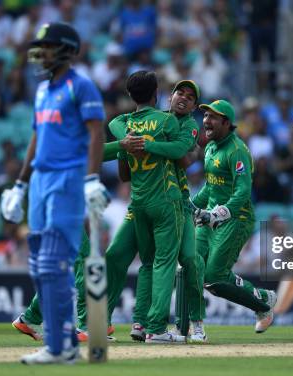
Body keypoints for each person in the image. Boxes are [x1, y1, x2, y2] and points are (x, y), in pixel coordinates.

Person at [0, 22, 109, 365]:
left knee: (54, 261)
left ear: (65, 49)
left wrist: (91, 179)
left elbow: (96, 134)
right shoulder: (43, 90)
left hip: (68, 178)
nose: (41, 53)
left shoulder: (82, 86)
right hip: (41, 182)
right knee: (38, 264)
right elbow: (36, 138)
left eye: (47, 46)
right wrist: (20, 184)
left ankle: (63, 347)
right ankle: (58, 344)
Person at [104, 79, 207, 342]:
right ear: (167, 96)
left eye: (190, 97)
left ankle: (195, 322)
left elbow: (184, 158)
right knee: (117, 254)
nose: (183, 98)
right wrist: (125, 148)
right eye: (179, 93)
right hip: (143, 200)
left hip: (177, 202)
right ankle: (115, 322)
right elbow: (124, 174)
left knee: (188, 259)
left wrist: (142, 143)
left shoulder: (189, 126)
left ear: (194, 105)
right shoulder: (152, 120)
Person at [192, 99, 277, 334]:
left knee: (214, 277)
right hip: (208, 220)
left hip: (236, 219)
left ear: (227, 123)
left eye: (212, 117)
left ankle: (262, 304)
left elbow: (242, 191)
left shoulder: (237, 150)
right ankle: (194, 327)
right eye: (205, 116)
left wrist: (219, 213)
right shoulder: (210, 148)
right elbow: (210, 188)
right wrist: (190, 205)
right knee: (192, 266)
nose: (206, 121)